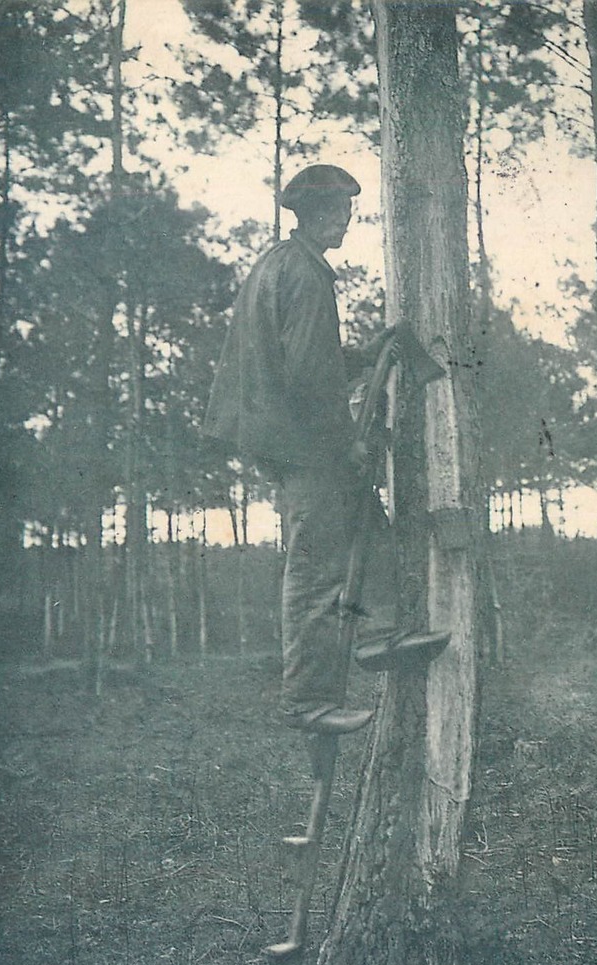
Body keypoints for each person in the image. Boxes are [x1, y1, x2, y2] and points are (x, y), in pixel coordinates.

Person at [204, 164, 448, 735]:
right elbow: (309, 377)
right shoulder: (305, 274)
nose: (347, 220)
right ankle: (304, 701)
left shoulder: (282, 264)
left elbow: (309, 358)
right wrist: (349, 445)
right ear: (315, 214)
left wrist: (366, 357)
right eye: (341, 210)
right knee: (314, 567)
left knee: (367, 519)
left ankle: (379, 634)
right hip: (301, 442)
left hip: (288, 436)